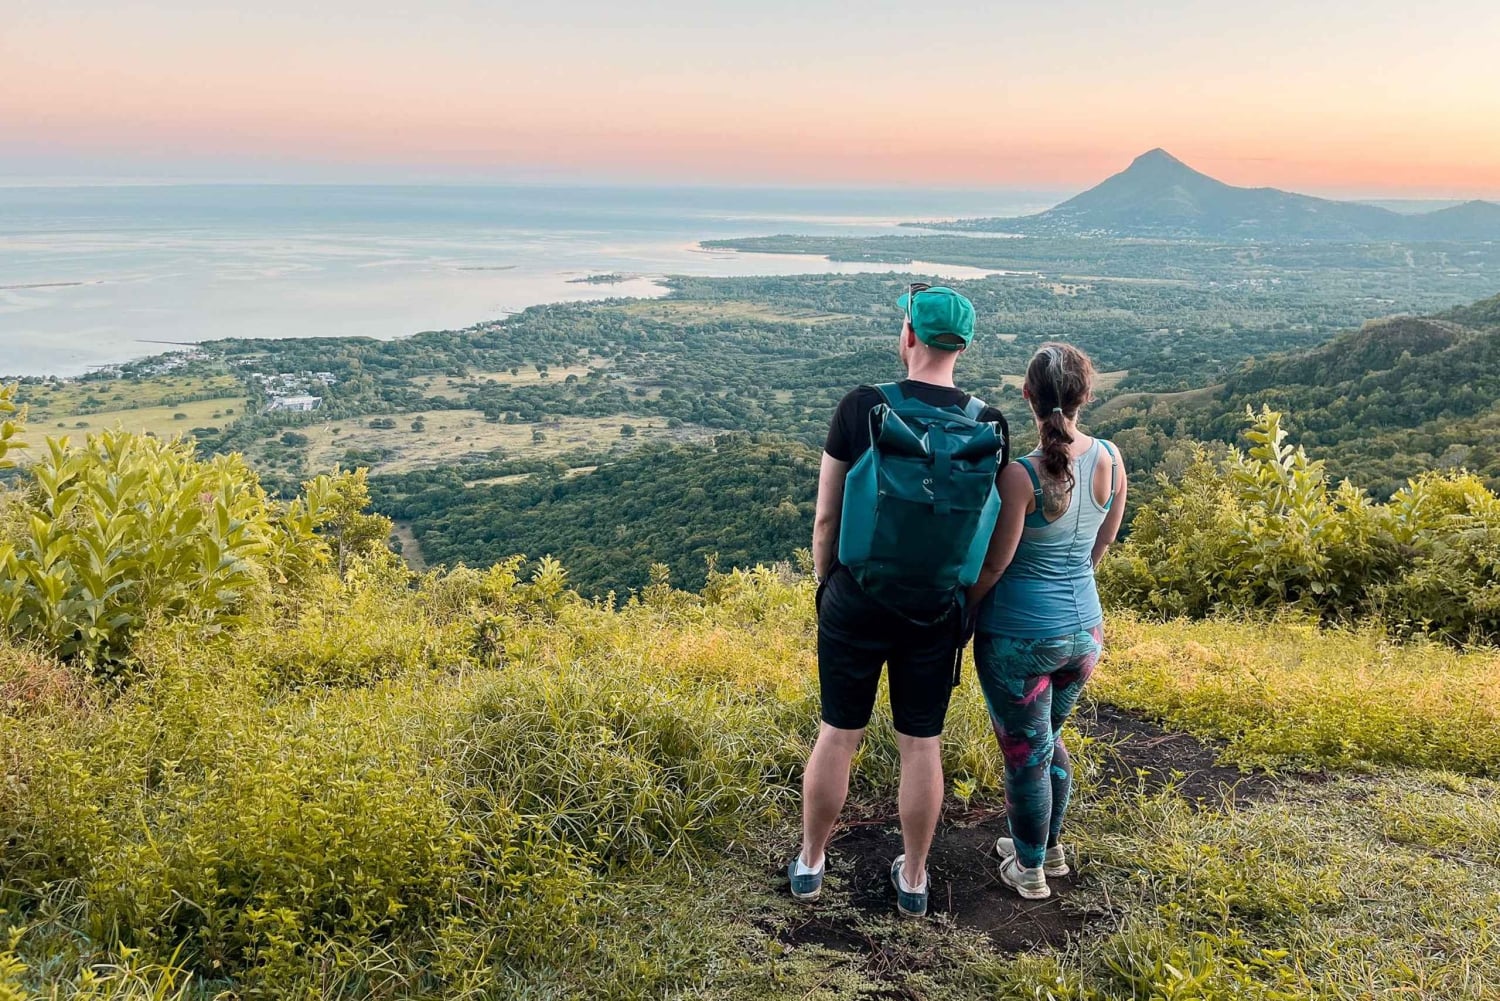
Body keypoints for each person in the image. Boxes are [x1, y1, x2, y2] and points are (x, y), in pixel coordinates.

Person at [789, 284, 1007, 919]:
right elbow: (984, 527)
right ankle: (913, 878)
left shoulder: (862, 406)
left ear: (909, 334)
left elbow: (826, 520)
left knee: (838, 733)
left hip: (857, 597)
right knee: (921, 744)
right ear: (963, 345)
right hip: (937, 605)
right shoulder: (989, 424)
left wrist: (828, 586)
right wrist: (963, 599)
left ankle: (810, 864)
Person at [966, 341, 1127, 901]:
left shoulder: (1020, 477)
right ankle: (1047, 849)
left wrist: (964, 609)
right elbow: (1102, 542)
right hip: (1085, 632)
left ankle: (1029, 869)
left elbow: (995, 565)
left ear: (1027, 395)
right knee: (1047, 740)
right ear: (1086, 395)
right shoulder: (1110, 458)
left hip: (1019, 637)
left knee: (1025, 756)